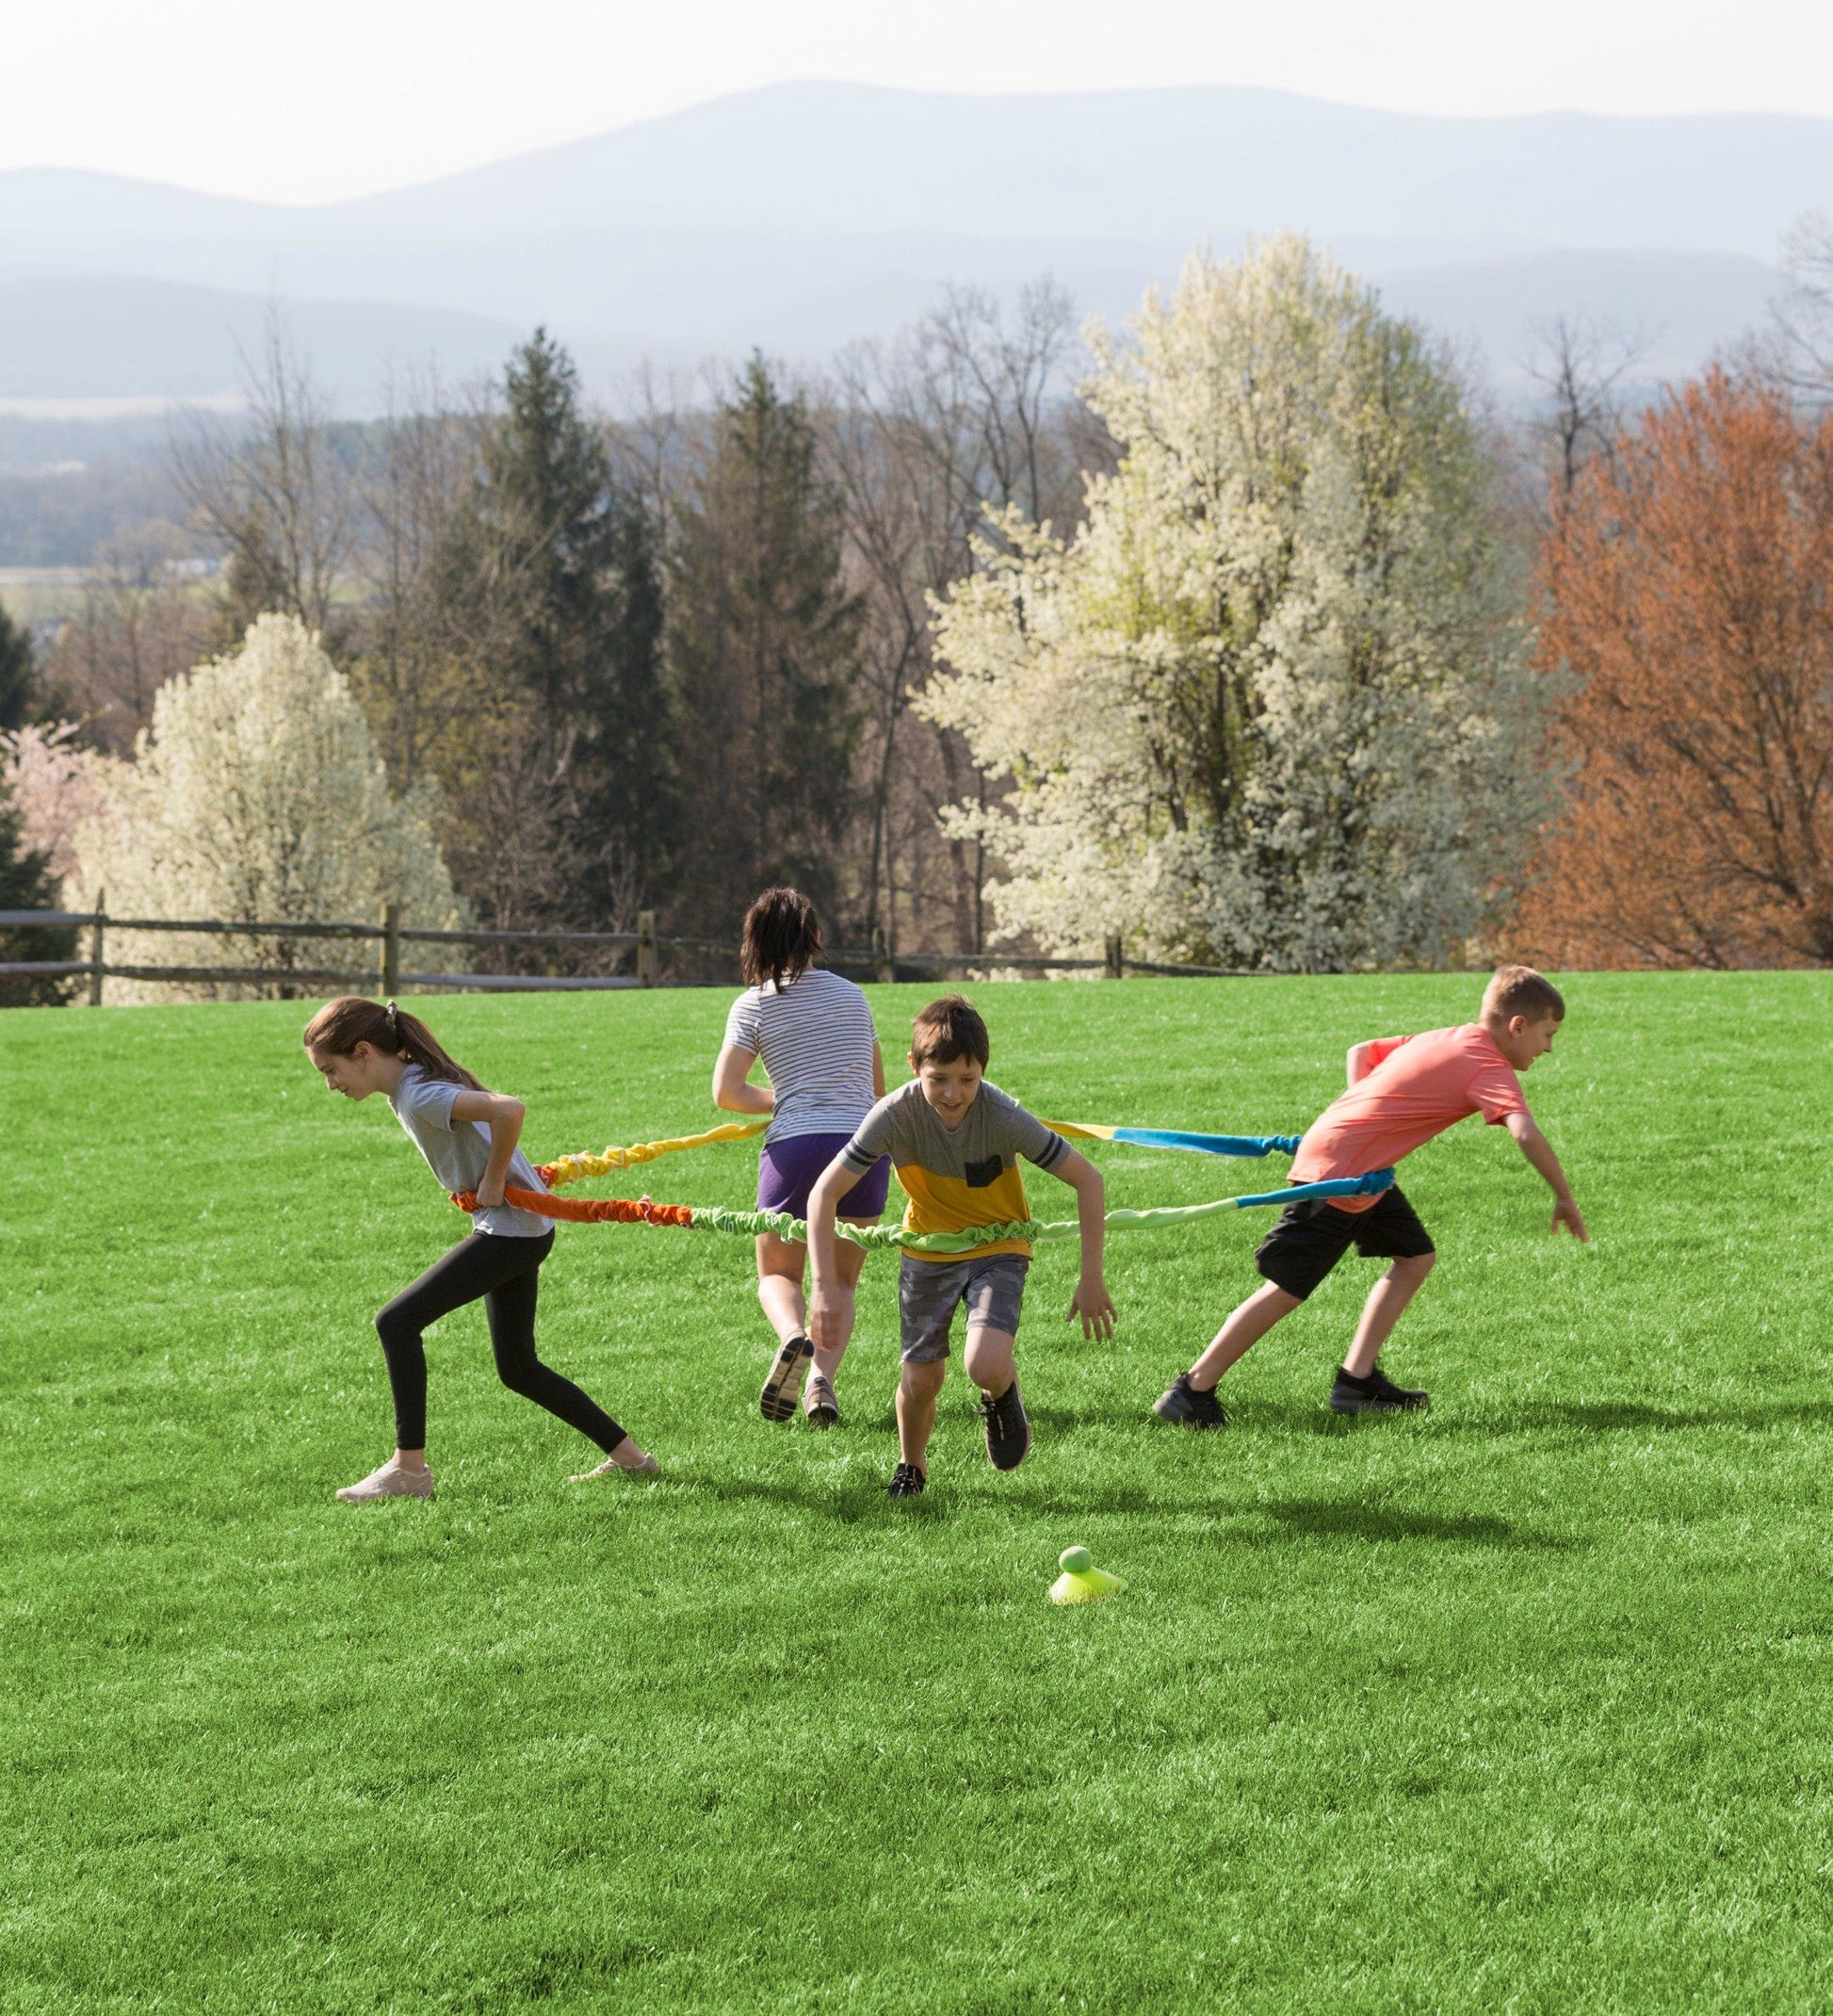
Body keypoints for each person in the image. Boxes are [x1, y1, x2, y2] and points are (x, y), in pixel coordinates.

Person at [1154, 965, 1587, 1428]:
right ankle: (1191, 1391)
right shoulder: (1489, 1066)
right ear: (1517, 1026)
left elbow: (1361, 1051)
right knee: (1286, 1288)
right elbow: (1524, 1132)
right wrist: (1563, 1195)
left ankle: (1356, 1383)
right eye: (1547, 1034)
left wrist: (1359, 1121)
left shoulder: (1450, 1037)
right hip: (1344, 1175)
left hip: (1364, 1172)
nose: (1549, 1048)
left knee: (1415, 1256)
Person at [302, 996, 655, 1501]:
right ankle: (633, 1460)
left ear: (362, 1051)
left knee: (395, 1322)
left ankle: (410, 1470)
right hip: (521, 1230)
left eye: (330, 1070)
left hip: (508, 1231)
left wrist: (493, 1180)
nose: (330, 1084)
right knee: (518, 1368)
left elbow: (508, 1110)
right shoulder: (407, 1087)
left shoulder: (419, 1092)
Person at [805, 994, 1116, 1499]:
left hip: (1000, 1247)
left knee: (983, 1363)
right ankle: (912, 1464)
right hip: (927, 1252)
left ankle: (1001, 1392)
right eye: (939, 1079)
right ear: (914, 1066)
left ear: (982, 1072)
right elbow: (824, 1193)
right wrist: (822, 1288)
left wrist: (1091, 1278)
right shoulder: (893, 1115)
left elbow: (1088, 1179)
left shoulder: (1001, 1114)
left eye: (967, 1080)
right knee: (921, 1378)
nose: (953, 1094)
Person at [713, 887, 888, 1426]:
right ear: (815, 938)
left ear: (755, 943)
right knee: (841, 1284)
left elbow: (727, 1092)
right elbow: (878, 1091)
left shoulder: (753, 1004)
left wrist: (786, 1099)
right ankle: (820, 1384)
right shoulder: (854, 997)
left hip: (795, 1147)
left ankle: (793, 1338)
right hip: (862, 1147)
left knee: (778, 1275)